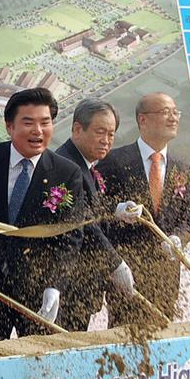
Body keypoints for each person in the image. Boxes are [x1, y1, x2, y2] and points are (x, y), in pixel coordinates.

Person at [0, 87, 85, 342]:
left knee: (38, 369)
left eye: (45, 122)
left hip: (37, 294)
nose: (38, 131)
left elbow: (70, 238)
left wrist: (54, 285)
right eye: (28, 122)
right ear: (9, 127)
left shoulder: (67, 173)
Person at [96, 92, 190, 325]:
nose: (173, 118)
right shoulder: (113, 161)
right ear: (143, 120)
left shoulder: (181, 166)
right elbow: (97, 208)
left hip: (166, 274)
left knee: (162, 338)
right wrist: (116, 210)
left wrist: (179, 238)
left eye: (175, 112)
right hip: (126, 271)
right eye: (165, 112)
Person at [55, 98, 134, 331]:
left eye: (111, 134)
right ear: (77, 129)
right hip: (67, 286)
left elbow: (89, 207)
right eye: (100, 132)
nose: (106, 141)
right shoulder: (66, 167)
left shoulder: (85, 165)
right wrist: (116, 263)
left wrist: (114, 210)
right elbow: (83, 223)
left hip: (82, 286)